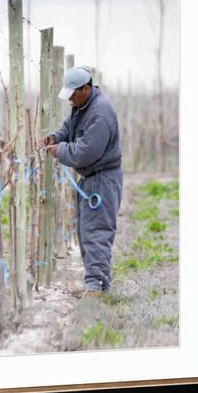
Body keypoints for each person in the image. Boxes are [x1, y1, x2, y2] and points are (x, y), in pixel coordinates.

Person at [41, 66, 123, 298]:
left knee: (96, 232)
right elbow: (69, 128)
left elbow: (86, 152)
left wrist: (61, 150)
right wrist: (56, 137)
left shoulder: (100, 113)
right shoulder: (82, 107)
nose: (70, 100)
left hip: (103, 180)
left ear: (85, 89)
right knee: (86, 231)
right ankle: (97, 284)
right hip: (92, 179)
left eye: (72, 94)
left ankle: (95, 288)